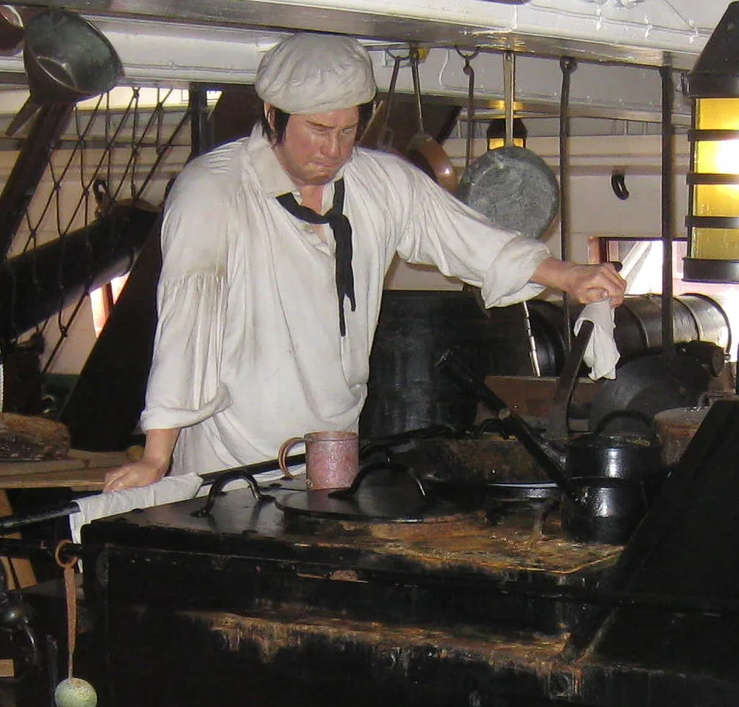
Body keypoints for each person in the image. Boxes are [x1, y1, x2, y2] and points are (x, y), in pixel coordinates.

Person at [102, 35, 624, 491]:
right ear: (272, 116)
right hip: (232, 447)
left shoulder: (379, 182)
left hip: (333, 438)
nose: (334, 149)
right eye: (318, 129)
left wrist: (568, 276)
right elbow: (189, 318)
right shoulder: (213, 191)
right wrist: (157, 454)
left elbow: (465, 237)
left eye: (348, 131)